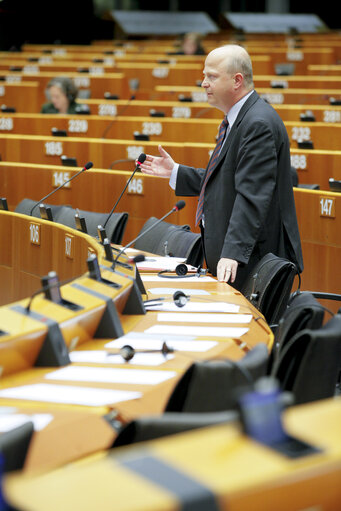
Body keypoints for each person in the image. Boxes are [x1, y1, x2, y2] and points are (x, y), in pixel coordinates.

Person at [138, 44, 304, 291]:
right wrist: (175, 172)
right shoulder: (238, 119)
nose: (203, 83)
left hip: (251, 261)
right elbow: (227, 179)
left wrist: (233, 253)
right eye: (204, 76)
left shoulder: (257, 123)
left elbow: (252, 196)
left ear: (237, 80)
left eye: (211, 76)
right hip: (239, 258)